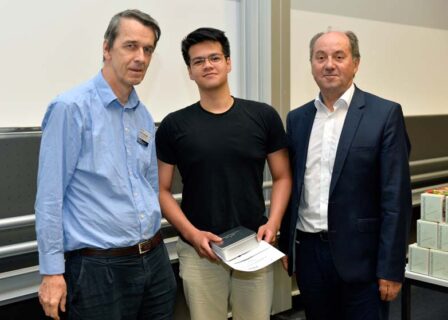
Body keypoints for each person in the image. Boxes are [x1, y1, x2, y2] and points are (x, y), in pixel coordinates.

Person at [35, 9, 176, 320]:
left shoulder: (142, 114)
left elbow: (149, 184)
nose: (140, 57)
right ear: (106, 48)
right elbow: (49, 198)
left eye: (148, 49)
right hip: (99, 269)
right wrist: (52, 273)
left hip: (154, 259)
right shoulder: (70, 108)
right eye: (130, 46)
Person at [156, 27, 291, 320]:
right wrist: (192, 235)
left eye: (215, 58)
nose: (207, 65)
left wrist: (274, 222)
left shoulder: (263, 117)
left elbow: (283, 176)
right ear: (189, 72)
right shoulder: (173, 126)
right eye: (198, 61)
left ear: (228, 63)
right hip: (200, 249)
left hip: (253, 244)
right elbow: (161, 190)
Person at [279, 30, 412, 320]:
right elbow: (293, 186)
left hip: (363, 260)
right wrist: (286, 245)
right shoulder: (297, 119)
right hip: (310, 255)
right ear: (312, 64)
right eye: (320, 57)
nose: (329, 64)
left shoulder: (384, 114)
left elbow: (395, 198)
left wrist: (391, 267)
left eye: (339, 56)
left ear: (356, 63)